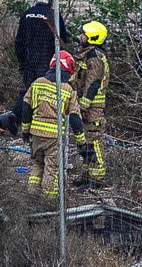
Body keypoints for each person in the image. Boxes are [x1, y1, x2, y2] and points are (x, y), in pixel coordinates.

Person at [15, 50, 90, 199]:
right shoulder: (68, 90)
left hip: (36, 134)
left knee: (37, 164)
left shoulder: (37, 84)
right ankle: (49, 202)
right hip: (54, 138)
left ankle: (31, 196)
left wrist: (25, 130)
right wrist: (82, 142)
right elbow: (75, 118)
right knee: (52, 168)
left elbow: (26, 108)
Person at [13, 0, 66, 106]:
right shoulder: (54, 17)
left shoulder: (26, 14)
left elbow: (18, 43)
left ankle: (22, 121)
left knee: (28, 95)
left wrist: (23, 63)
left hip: (29, 64)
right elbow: (62, 43)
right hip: (48, 66)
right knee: (45, 98)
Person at [71, 21, 110, 186]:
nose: (81, 36)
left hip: (93, 108)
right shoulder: (88, 55)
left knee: (94, 140)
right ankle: (87, 176)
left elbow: (92, 84)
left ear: (92, 37)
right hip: (87, 107)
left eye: (84, 34)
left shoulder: (95, 58)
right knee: (85, 141)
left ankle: (98, 178)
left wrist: (84, 105)